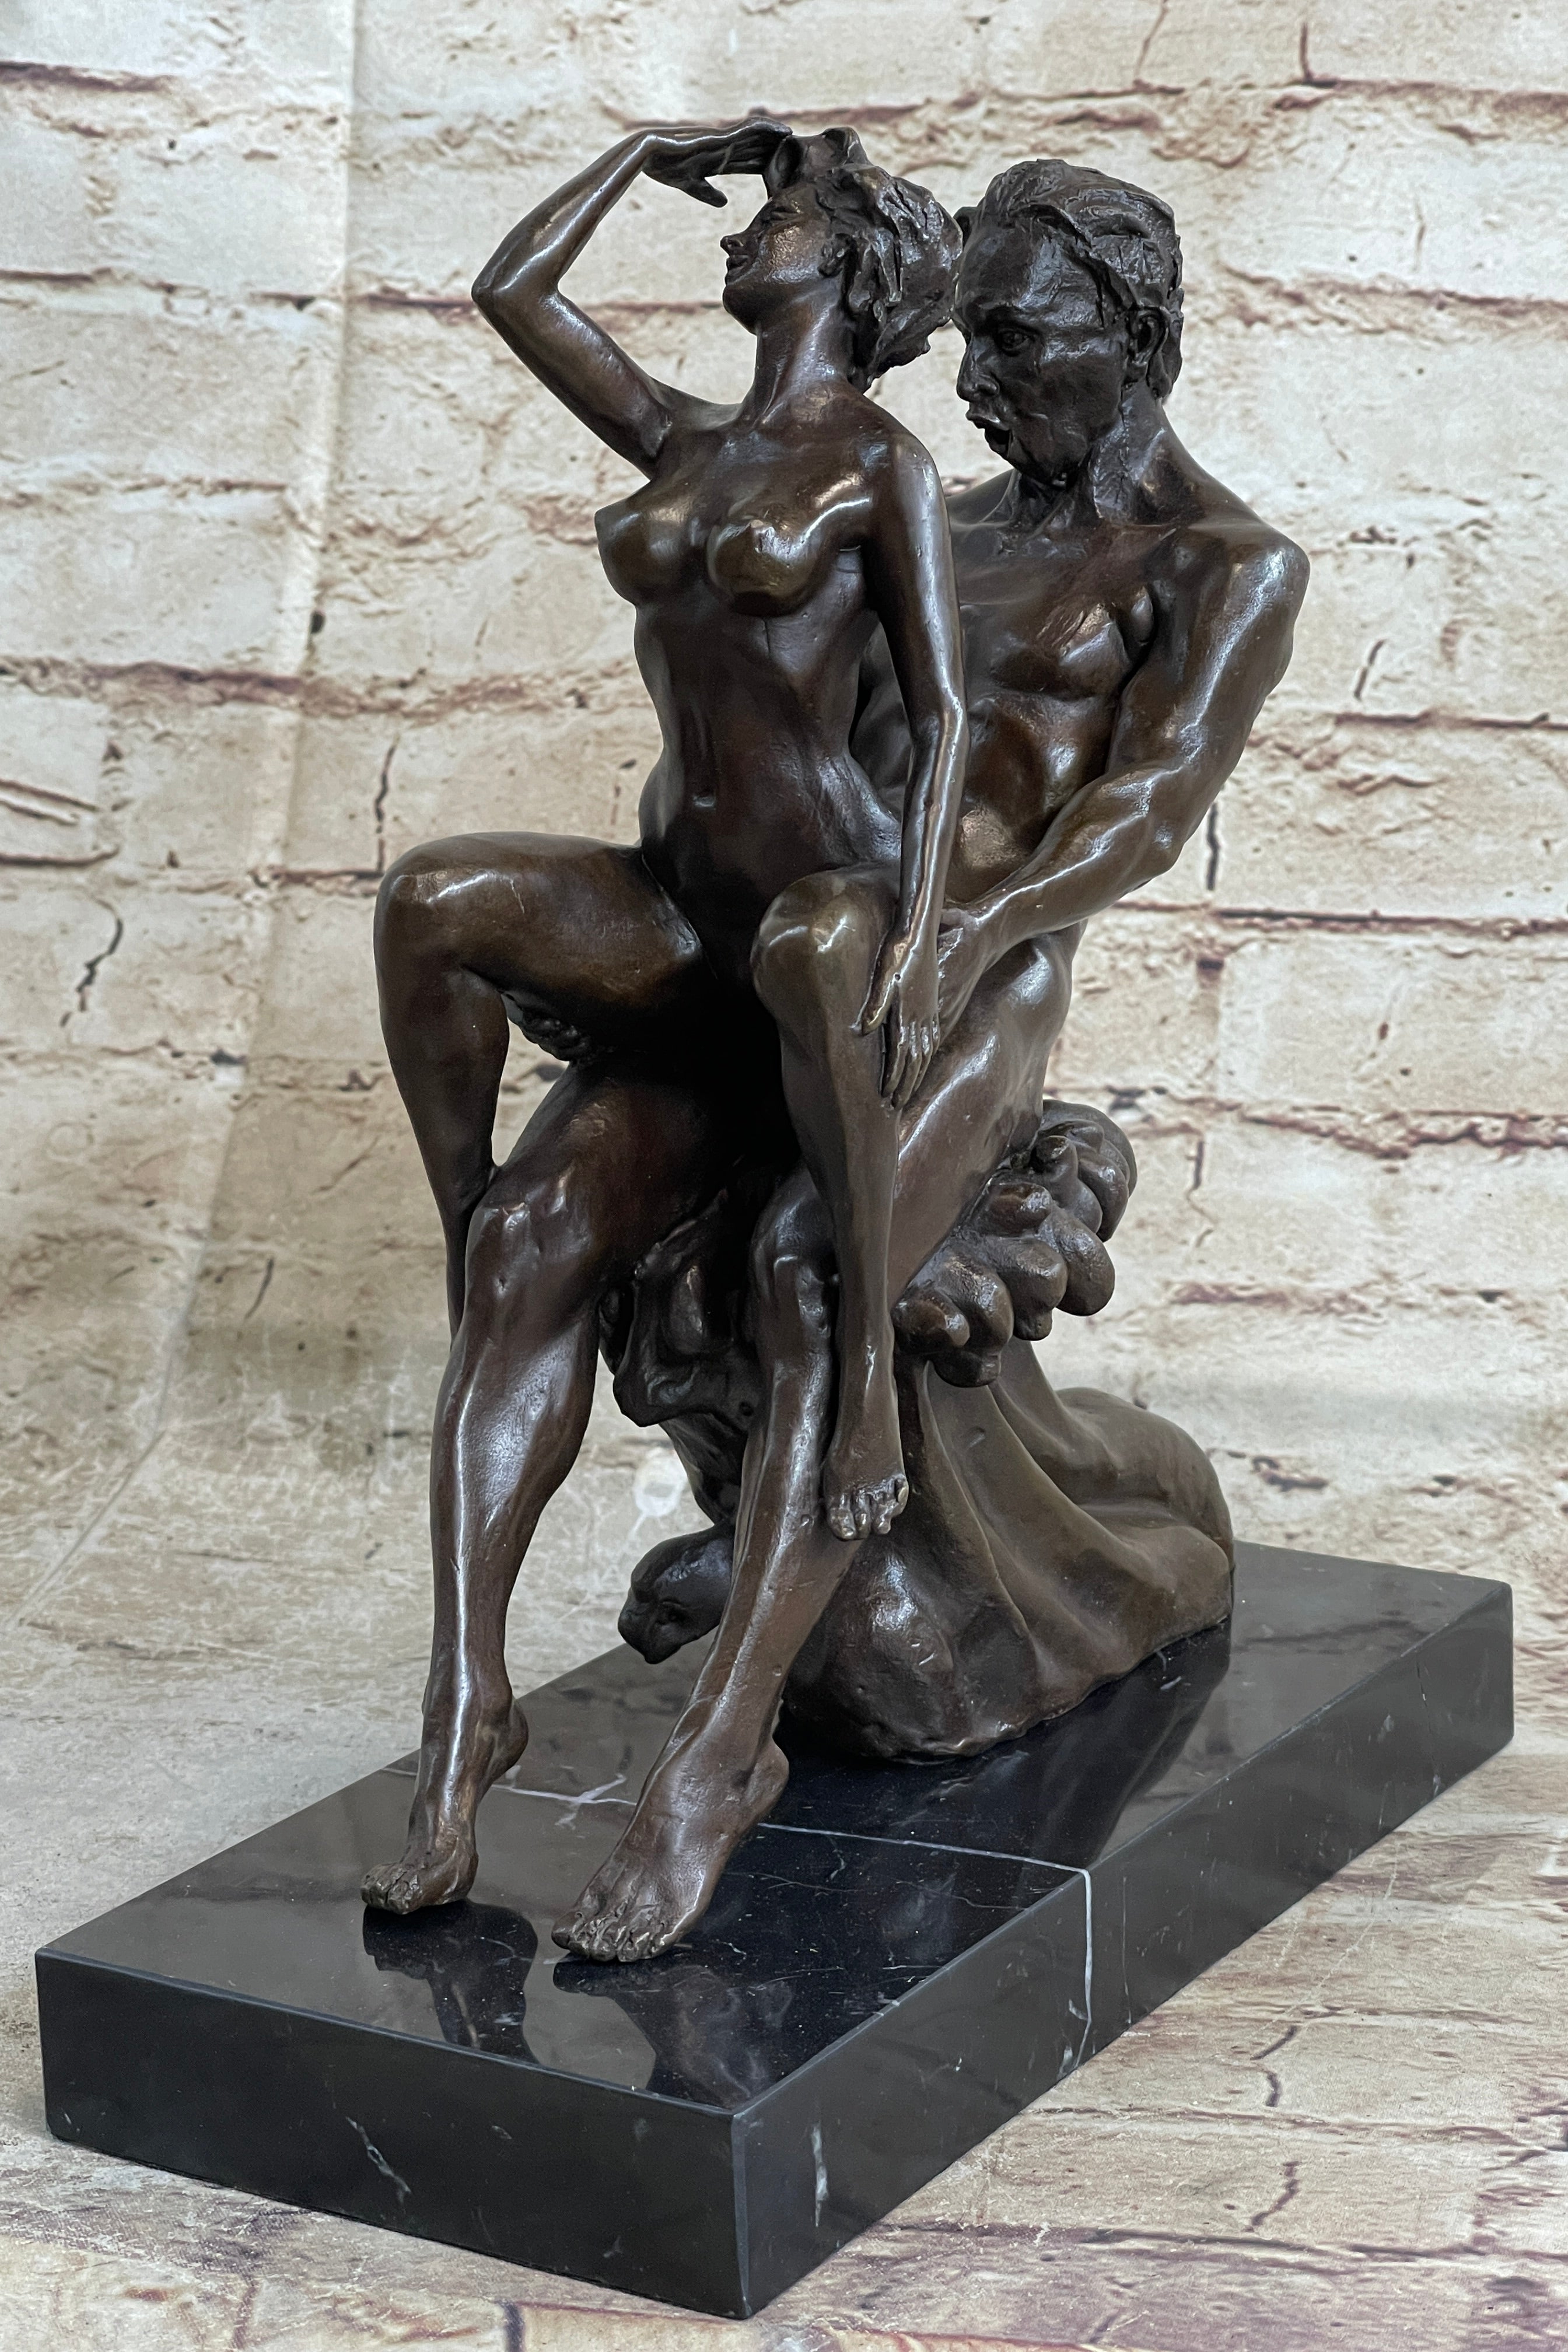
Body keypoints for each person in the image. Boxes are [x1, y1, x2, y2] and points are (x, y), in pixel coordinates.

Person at [366, 156, 1307, 1950]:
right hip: (787, 944)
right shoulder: (922, 500)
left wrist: (967, 929)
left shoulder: (1222, 564)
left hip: (972, 978)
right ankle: (464, 1709)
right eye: (972, 344)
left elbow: (1152, 803)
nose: (981, 379)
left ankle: (723, 1750)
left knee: (809, 1263)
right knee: (527, 1236)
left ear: (1131, 332)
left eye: (1019, 341)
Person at [363, 116, 971, 1913]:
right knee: (433, 903)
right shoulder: (685, 442)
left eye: (773, 219)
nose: (741, 239)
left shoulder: (886, 467)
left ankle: (865, 1390)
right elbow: (513, 290)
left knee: (811, 961)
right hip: (678, 911)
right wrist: (643, 150)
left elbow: (943, 720)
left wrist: (925, 945)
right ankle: (467, 1703)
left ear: (846, 261)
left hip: (823, 902)